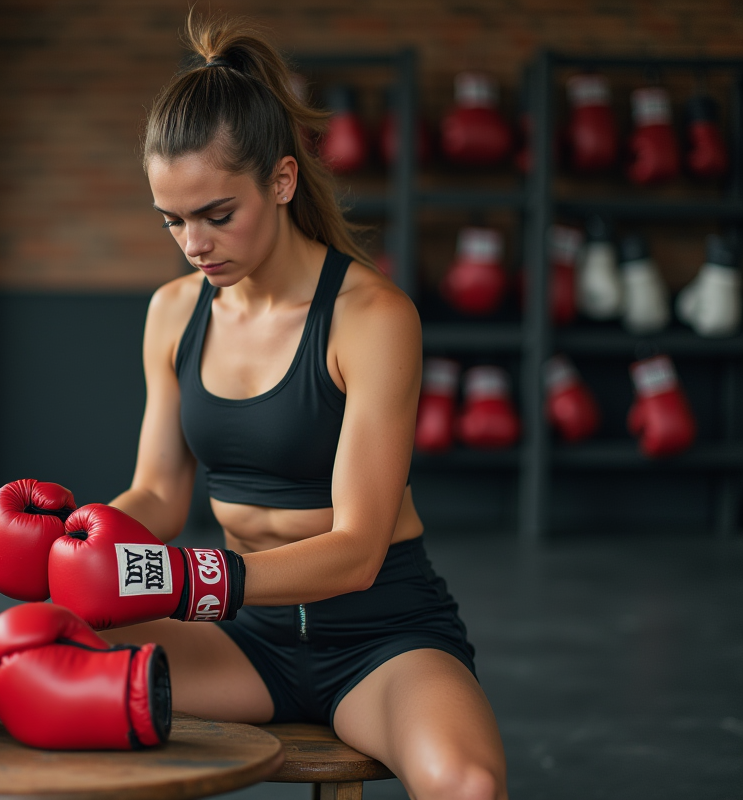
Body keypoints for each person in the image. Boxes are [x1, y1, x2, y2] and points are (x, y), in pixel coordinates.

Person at [97, 14, 508, 800]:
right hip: (247, 642)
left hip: (380, 635)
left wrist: (189, 579)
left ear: (281, 181)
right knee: (40, 659)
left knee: (469, 786)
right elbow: (157, 494)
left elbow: (355, 549)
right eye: (173, 221)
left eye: (218, 215)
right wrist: (82, 548)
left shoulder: (371, 317)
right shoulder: (172, 313)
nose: (194, 243)